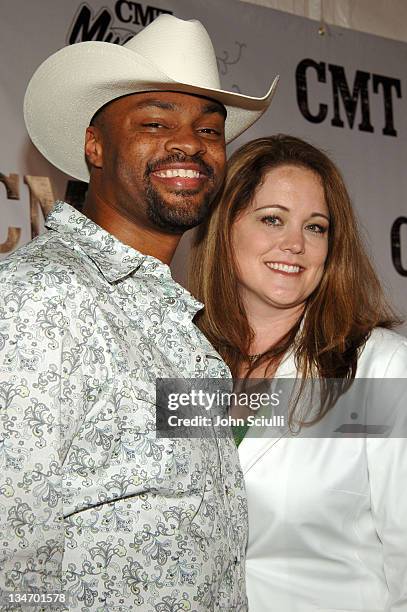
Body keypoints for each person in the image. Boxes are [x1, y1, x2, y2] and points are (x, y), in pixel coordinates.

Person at [0, 16, 279, 611]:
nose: (189, 144)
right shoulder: (43, 295)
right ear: (94, 145)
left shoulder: (183, 334)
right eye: (156, 123)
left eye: (210, 129)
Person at [190, 134, 407, 611]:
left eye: (316, 227)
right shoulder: (182, 361)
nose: (295, 244)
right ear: (224, 227)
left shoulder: (379, 368)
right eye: (272, 219)